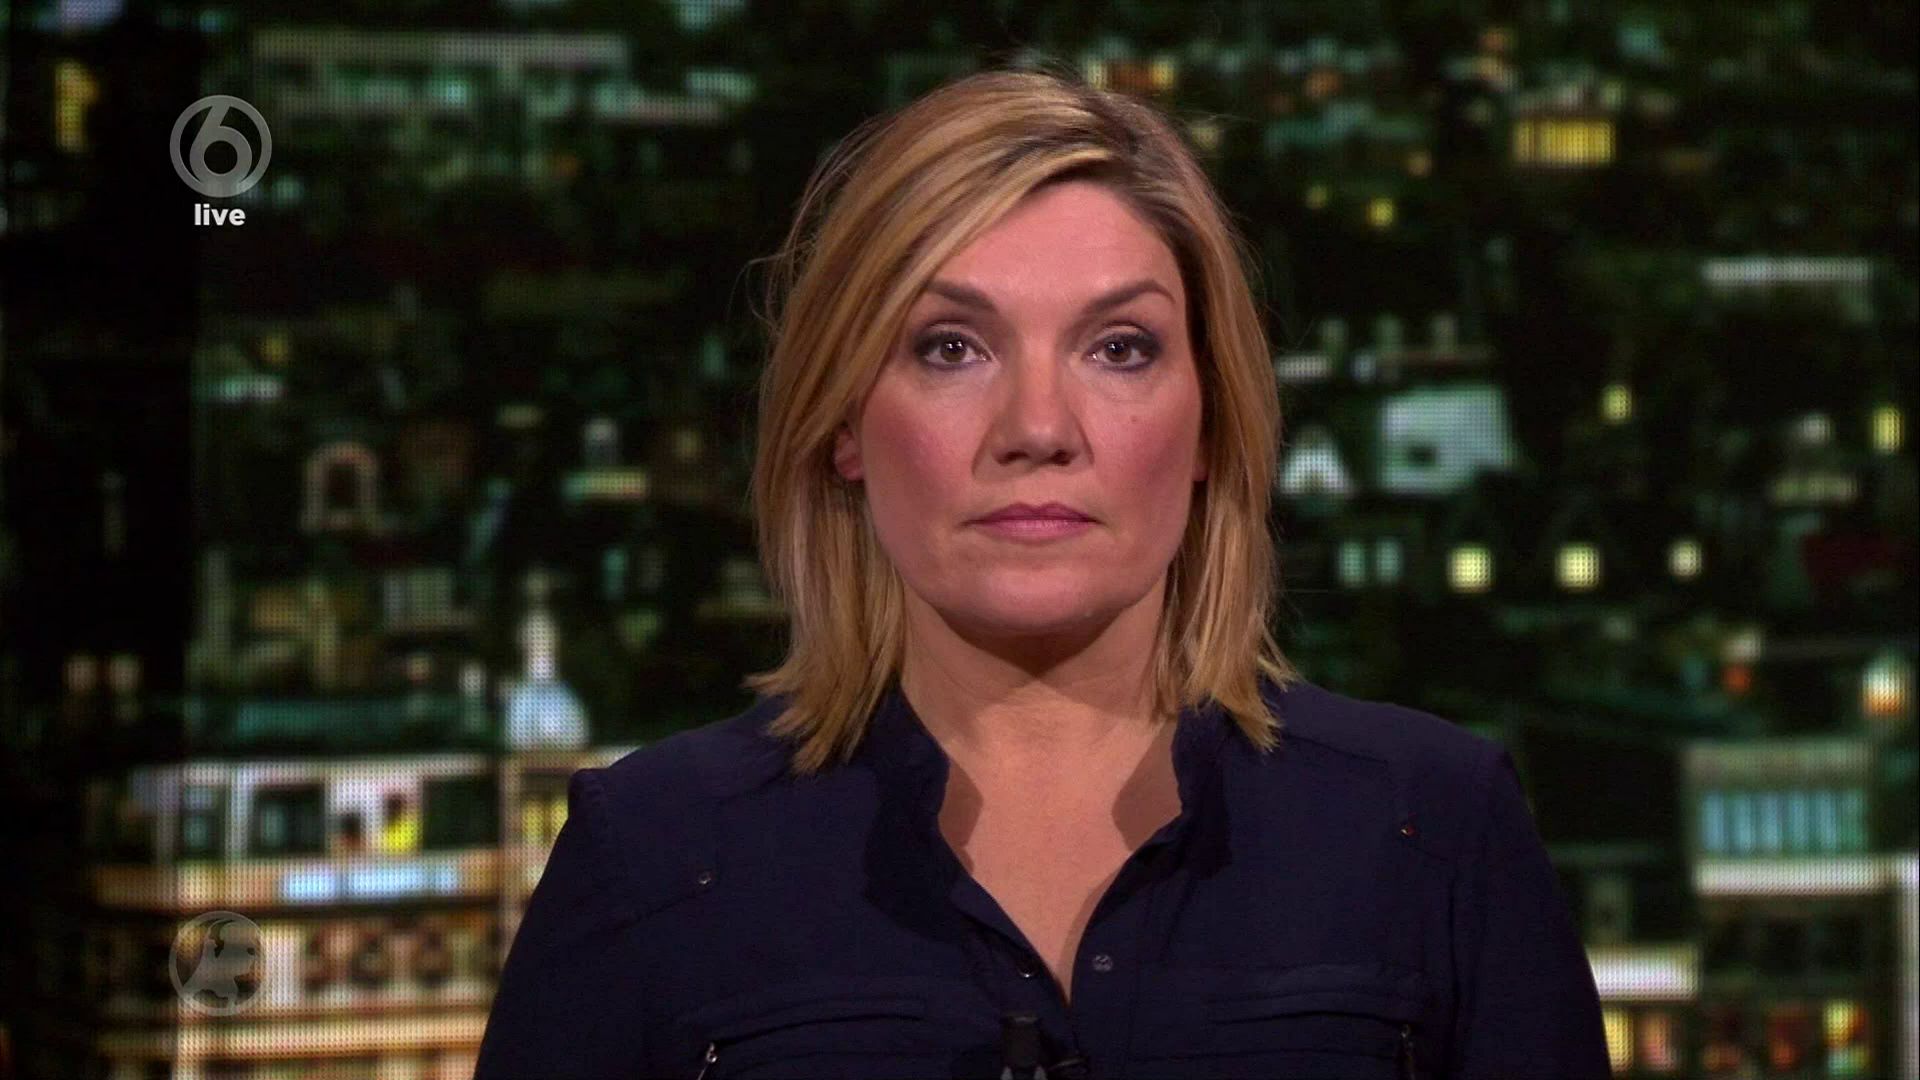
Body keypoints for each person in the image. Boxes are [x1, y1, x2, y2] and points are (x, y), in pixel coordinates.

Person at [475, 62, 1608, 1080]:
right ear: (845, 424)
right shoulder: (653, 855)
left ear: (1211, 419)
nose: (1037, 428)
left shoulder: (1434, 831)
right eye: (950, 348)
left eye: (1118, 348)